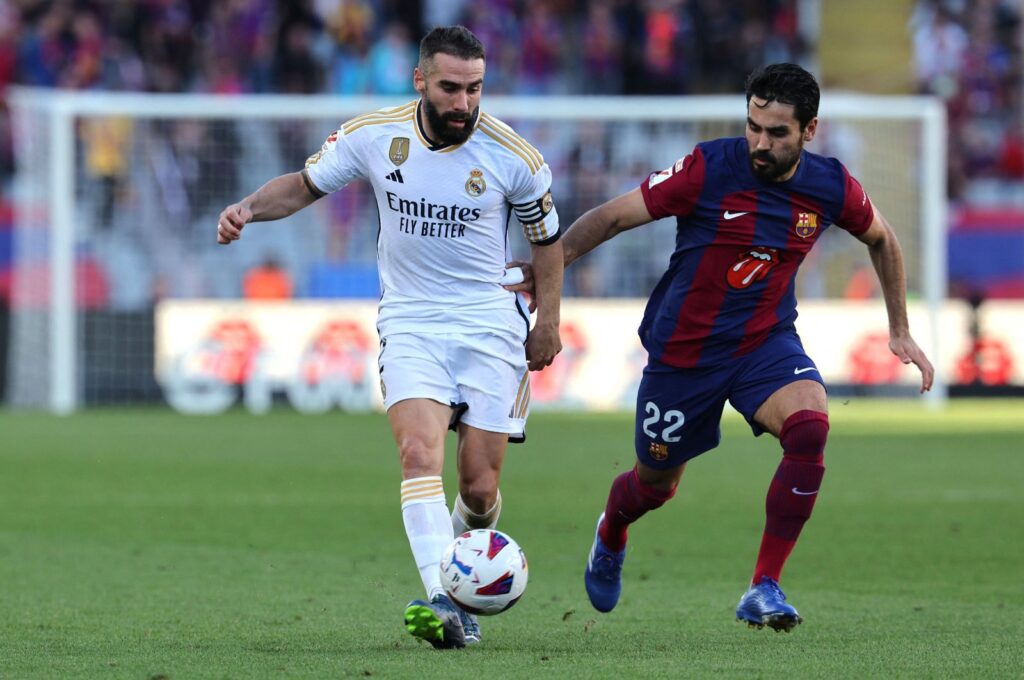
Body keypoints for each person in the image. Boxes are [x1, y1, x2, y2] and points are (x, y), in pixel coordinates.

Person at [507, 63, 933, 632]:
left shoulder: (831, 186)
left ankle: (763, 586)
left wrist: (899, 327)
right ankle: (612, 529)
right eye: (754, 126)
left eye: (777, 133)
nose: (760, 142)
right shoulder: (710, 168)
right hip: (683, 355)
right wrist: (546, 272)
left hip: (765, 342)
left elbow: (883, 238)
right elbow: (610, 217)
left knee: (810, 428)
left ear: (810, 131)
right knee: (655, 486)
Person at [216, 26, 564, 649]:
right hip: (410, 319)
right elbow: (303, 185)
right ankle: (445, 601)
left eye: (476, 88)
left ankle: (460, 580)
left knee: (480, 488)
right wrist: (247, 208)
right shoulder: (374, 136)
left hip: (489, 322)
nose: (464, 103)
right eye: (452, 88)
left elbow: (547, 243)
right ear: (421, 81)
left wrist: (548, 323)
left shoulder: (513, 156)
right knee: (417, 456)